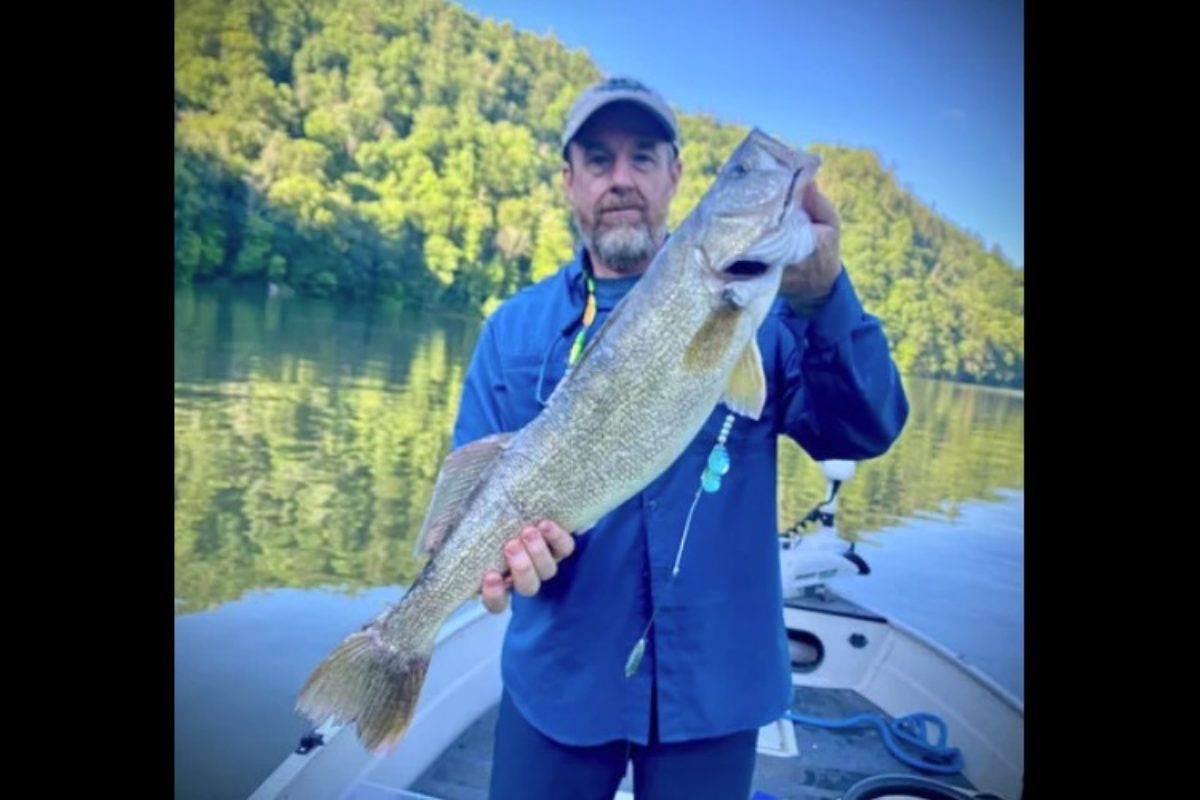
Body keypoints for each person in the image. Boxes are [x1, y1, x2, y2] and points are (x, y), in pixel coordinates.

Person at [450, 76, 909, 800]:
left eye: (644, 156)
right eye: (599, 160)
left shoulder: (770, 312)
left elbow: (864, 428)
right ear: (570, 181)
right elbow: (470, 501)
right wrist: (499, 565)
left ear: (678, 177)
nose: (622, 178)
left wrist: (822, 294)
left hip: (717, 688)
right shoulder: (513, 329)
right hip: (558, 683)